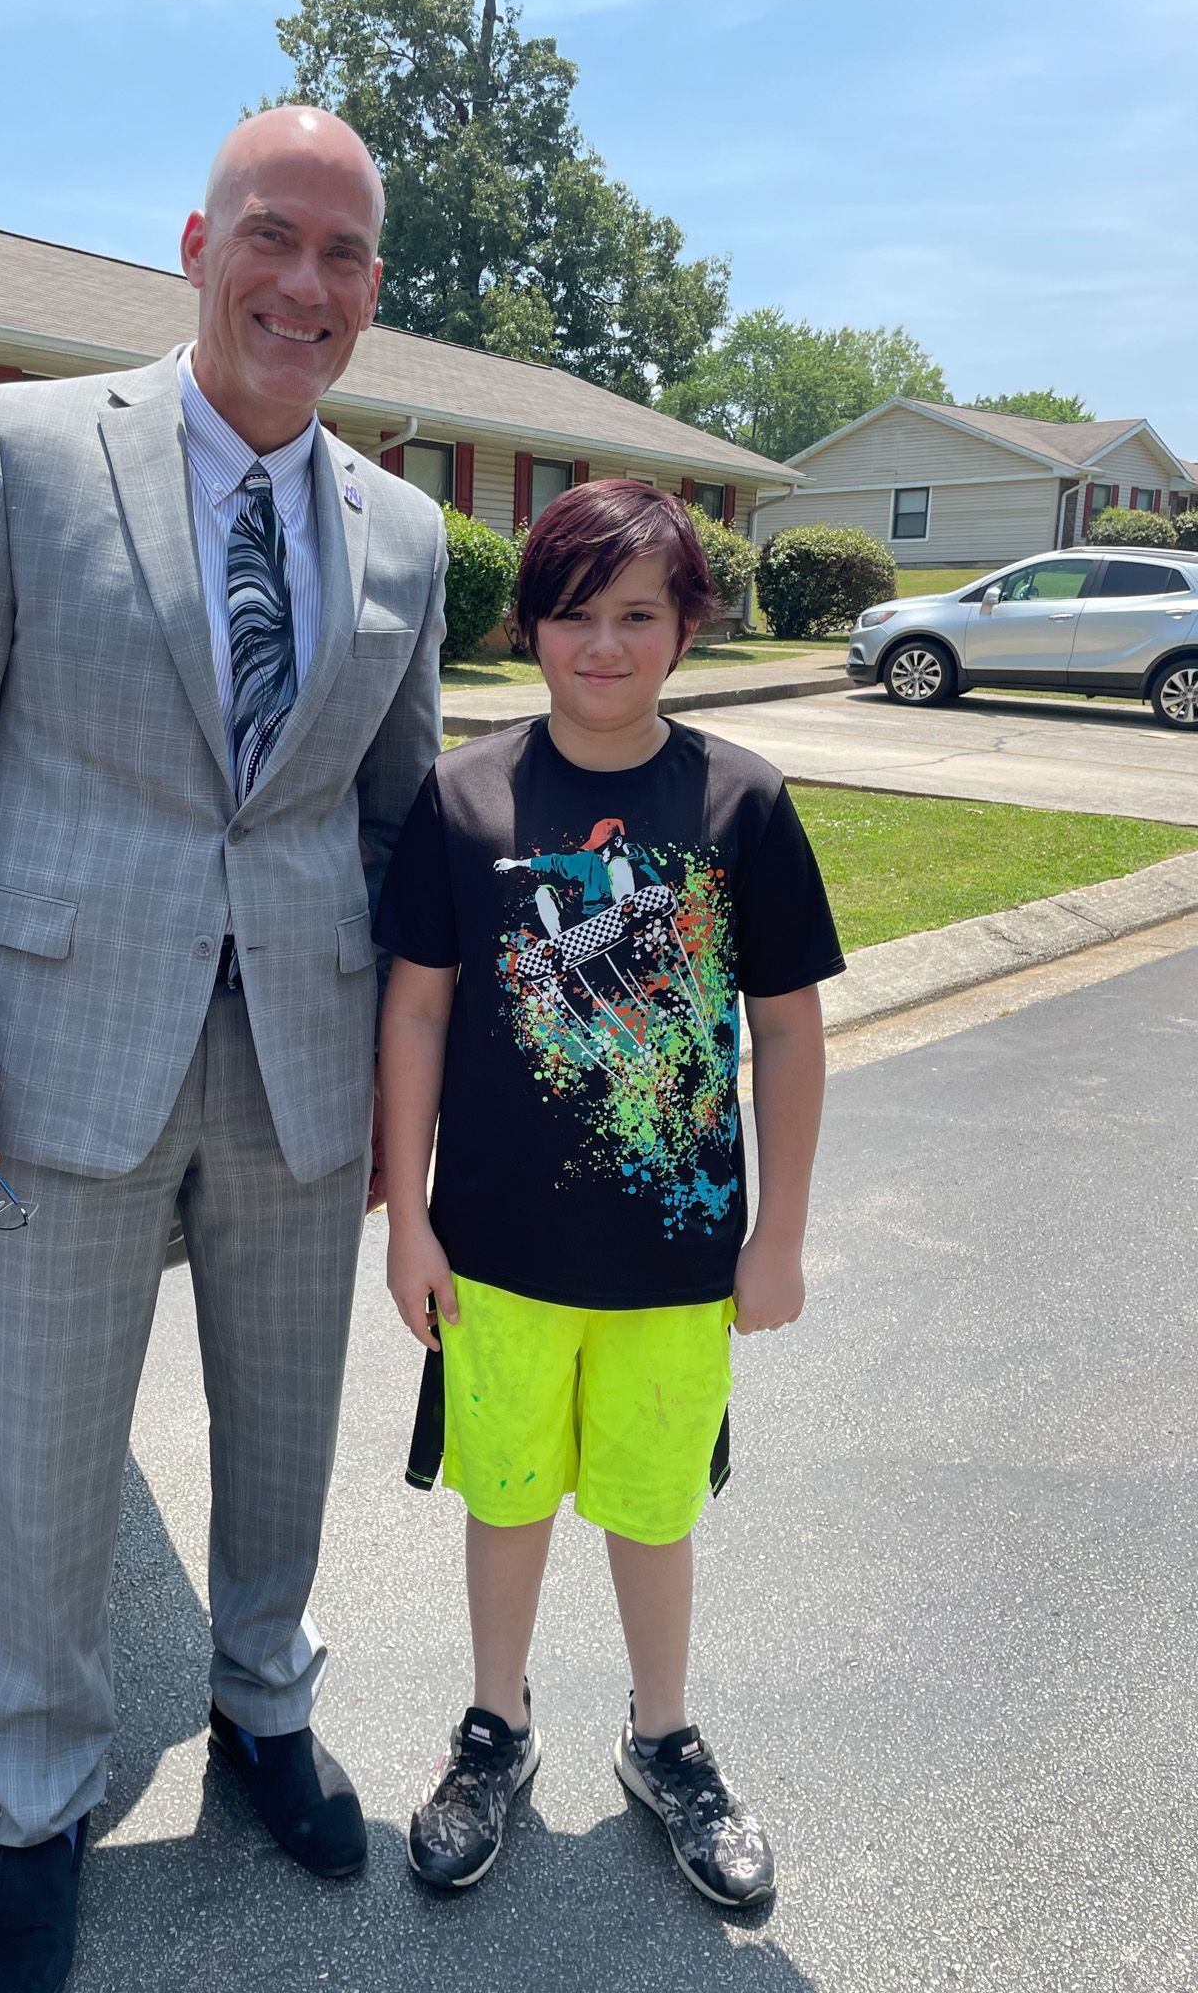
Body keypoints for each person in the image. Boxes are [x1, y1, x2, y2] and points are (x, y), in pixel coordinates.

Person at [0, 107, 444, 1993]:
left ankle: (264, 1707)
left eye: (345, 255)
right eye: (274, 235)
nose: (305, 284)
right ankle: (39, 1800)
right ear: (197, 245)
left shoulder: (408, 533)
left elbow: (402, 829)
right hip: (54, 1058)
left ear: (369, 290)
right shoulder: (29, 450)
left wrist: (416, 1098)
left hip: (304, 1065)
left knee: (285, 1435)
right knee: (45, 1465)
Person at [375, 479, 844, 1904]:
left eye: (638, 614)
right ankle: (495, 1727)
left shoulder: (741, 801)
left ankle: (663, 1738)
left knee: (653, 1509)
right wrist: (410, 1220)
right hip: (496, 1255)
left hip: (679, 1259)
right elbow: (415, 1012)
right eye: (573, 614)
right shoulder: (463, 796)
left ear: (688, 627)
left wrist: (779, 1237)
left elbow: (788, 1032)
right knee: (507, 1498)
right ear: (528, 627)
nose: (603, 645)